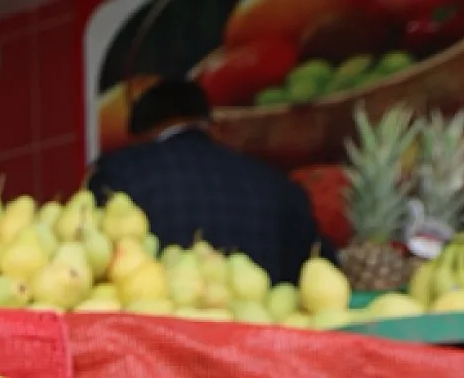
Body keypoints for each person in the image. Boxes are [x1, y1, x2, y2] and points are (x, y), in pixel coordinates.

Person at [87, 79, 328, 284]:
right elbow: (319, 271)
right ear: (211, 124)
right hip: (262, 333)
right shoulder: (276, 184)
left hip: (161, 333)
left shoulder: (121, 171)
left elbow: (93, 257)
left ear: (140, 134)